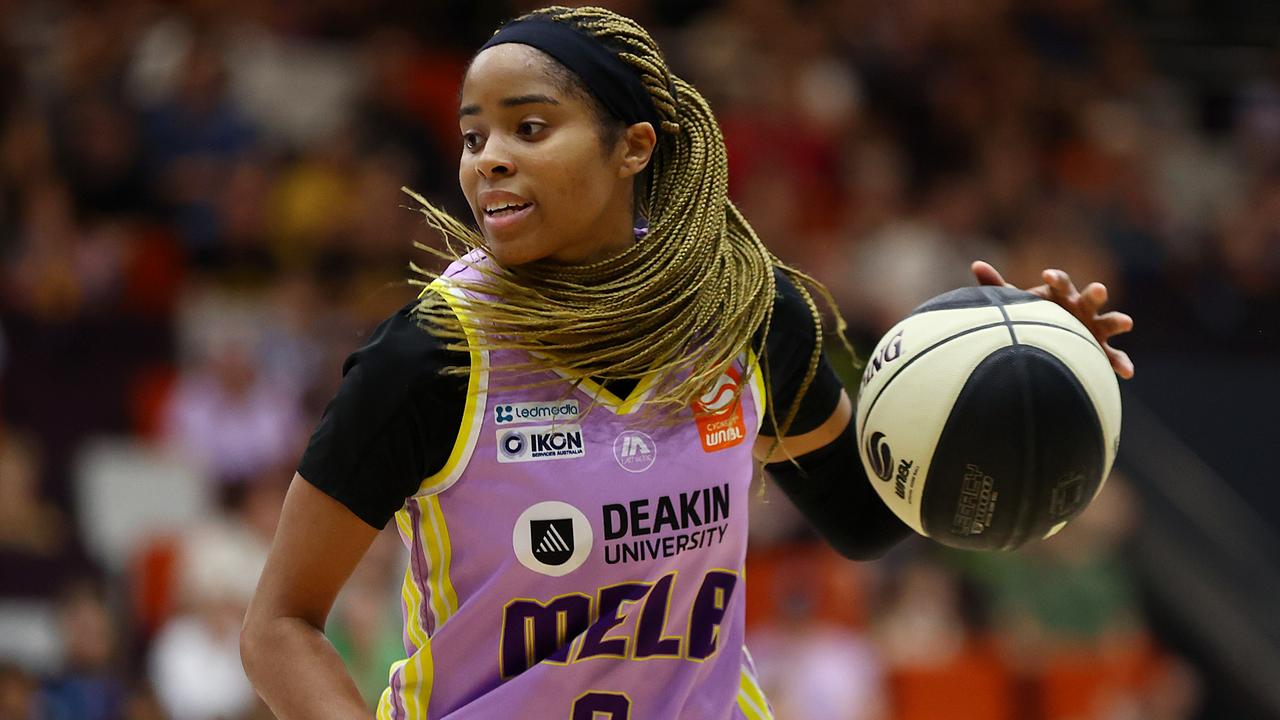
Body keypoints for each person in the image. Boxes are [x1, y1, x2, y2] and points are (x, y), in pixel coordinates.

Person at [239, 6, 1135, 719]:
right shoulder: (430, 359)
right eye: (475, 138)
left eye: (530, 126)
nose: (490, 161)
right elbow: (278, 624)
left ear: (634, 146)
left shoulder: (748, 313)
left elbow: (869, 520)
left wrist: (1032, 391)